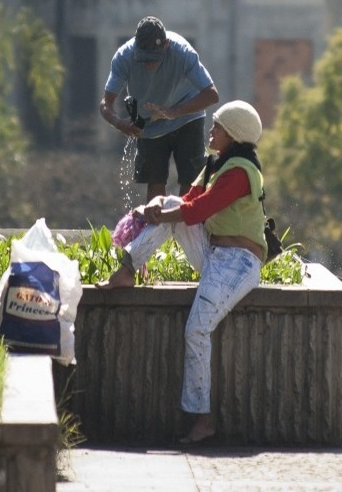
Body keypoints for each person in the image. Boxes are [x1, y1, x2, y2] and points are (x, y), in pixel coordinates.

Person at [96, 100, 267, 445]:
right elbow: (187, 199)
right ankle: (128, 267)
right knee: (170, 203)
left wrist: (160, 215)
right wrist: (156, 207)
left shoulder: (240, 172)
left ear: (233, 134)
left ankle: (203, 419)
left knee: (197, 329)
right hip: (215, 253)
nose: (211, 131)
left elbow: (203, 208)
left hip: (239, 262)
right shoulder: (216, 165)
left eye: (217, 126)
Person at [100, 16, 219, 201]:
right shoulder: (124, 57)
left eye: (154, 59)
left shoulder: (183, 53)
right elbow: (106, 104)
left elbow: (212, 94)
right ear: (136, 48)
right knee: (155, 183)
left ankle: (184, 228)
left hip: (187, 116)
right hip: (149, 124)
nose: (149, 64)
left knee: (190, 182)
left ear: (166, 44)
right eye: (144, 59)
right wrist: (120, 124)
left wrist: (174, 112)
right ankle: (157, 228)